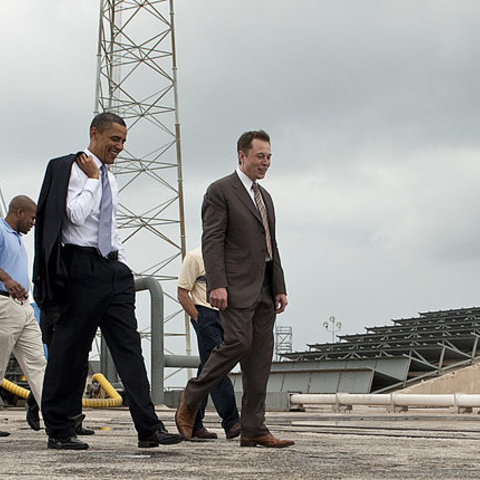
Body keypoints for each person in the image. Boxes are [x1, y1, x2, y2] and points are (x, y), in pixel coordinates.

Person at [33, 112, 184, 450]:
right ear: (94, 133)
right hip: (80, 267)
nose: (119, 147)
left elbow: (110, 226)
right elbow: (73, 216)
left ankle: (149, 428)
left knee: (130, 349)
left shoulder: (109, 178)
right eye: (114, 139)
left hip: (113, 270)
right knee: (69, 349)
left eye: (123, 142)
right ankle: (58, 429)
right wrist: (90, 180)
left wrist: (123, 264)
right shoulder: (73, 169)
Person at [176, 130, 294, 448]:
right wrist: (217, 284)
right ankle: (192, 396)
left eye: (269, 156)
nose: (265, 162)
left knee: (260, 359)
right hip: (236, 288)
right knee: (238, 343)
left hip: (266, 290)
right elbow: (211, 240)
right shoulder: (220, 191)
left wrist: (279, 285)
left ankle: (254, 427)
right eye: (260, 156)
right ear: (241, 156)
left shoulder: (265, 196)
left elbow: (272, 245)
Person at [177, 247, 241, 440]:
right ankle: (231, 421)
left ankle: (194, 421)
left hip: (227, 315)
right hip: (205, 313)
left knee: (207, 368)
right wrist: (199, 319)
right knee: (217, 366)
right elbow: (182, 293)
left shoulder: (230, 258)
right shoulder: (195, 257)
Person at [0, 196, 46, 435]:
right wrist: (6, 279)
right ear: (19, 212)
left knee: (38, 363)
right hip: (4, 304)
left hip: (23, 307)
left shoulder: (16, 238)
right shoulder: (0, 230)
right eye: (31, 218)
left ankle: (55, 420)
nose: (33, 223)